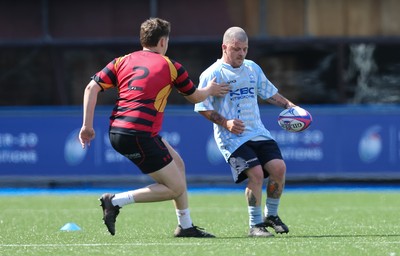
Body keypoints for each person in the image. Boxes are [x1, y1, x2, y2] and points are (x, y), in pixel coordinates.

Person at [78, 17, 229, 237]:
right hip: (139, 134)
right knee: (175, 187)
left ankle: (185, 226)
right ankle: (115, 201)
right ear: (162, 42)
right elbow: (195, 96)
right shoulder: (171, 66)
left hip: (118, 131)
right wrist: (210, 90)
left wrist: (87, 127)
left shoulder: (122, 61)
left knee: (178, 165)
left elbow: (91, 88)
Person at [194, 26, 295, 237]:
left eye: (245, 49)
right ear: (224, 47)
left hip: (257, 131)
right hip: (232, 138)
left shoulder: (252, 68)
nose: (241, 53)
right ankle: (255, 225)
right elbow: (201, 107)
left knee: (279, 168)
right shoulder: (213, 73)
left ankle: (271, 215)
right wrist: (226, 122)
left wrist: (290, 107)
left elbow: (269, 93)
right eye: (236, 49)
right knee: (256, 174)